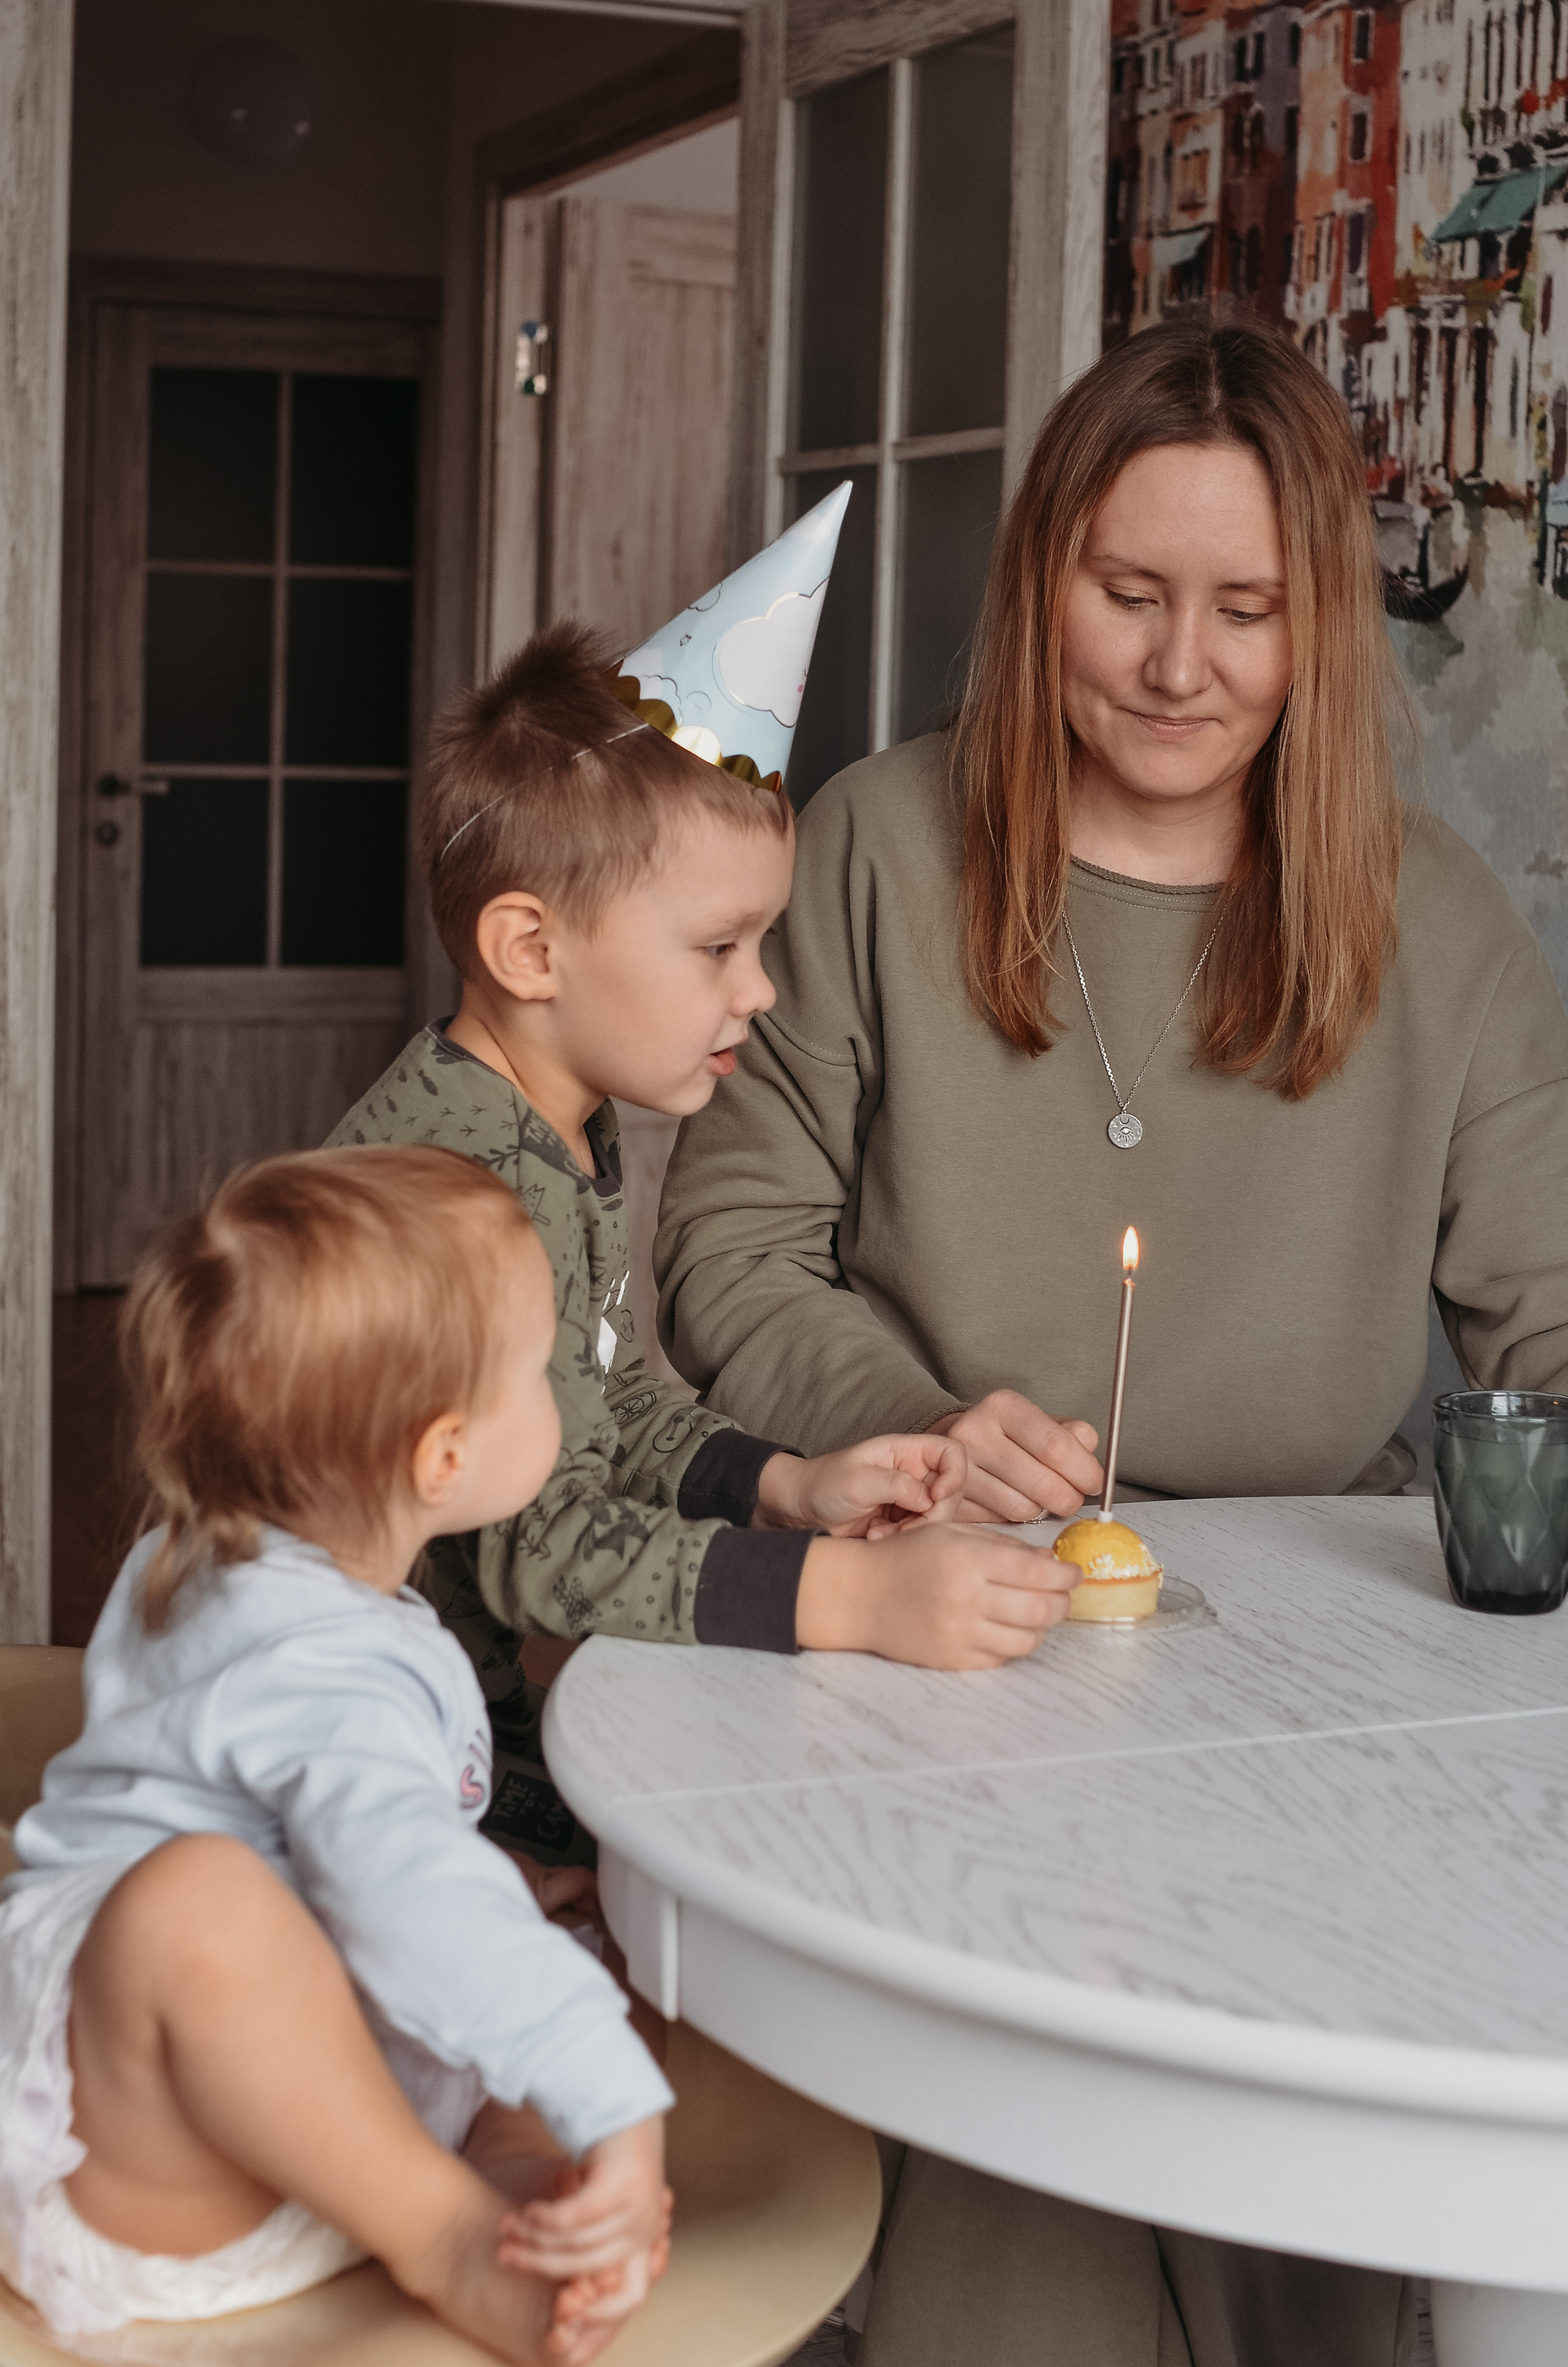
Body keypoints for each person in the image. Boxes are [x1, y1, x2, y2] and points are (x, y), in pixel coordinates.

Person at [655, 307, 1568, 2366]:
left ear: (1318, 621)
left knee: (1325, 2189)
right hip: (942, 1644)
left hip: (1337, 1699)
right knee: (1023, 2201)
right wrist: (913, 1432)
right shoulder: (879, 849)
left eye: (1245, 608)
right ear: (1040, 572)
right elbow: (731, 1250)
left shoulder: (1448, 927)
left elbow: (1557, 1318)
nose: (1179, 666)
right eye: (1128, 592)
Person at [330, 624, 1076, 1862]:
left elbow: (609, 1400)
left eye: (763, 943)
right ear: (530, 950)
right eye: (717, 947)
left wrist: (786, 1488)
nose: (761, 990)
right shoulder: (464, 1194)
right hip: (387, 1787)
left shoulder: (551, 1123)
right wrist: (849, 1599)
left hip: (462, 1739)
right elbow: (540, 1550)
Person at [0, 1147, 673, 2360]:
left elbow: (330, 1820)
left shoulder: (213, 1545)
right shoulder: (328, 1666)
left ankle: (514, 2169)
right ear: (443, 1458)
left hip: (282, 2095)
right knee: (201, 1906)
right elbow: (372, 1854)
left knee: (548, 1944)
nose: (560, 1401)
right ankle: (449, 2234)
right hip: (150, 2152)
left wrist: (503, 1898)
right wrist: (611, 2098)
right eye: (534, 1374)